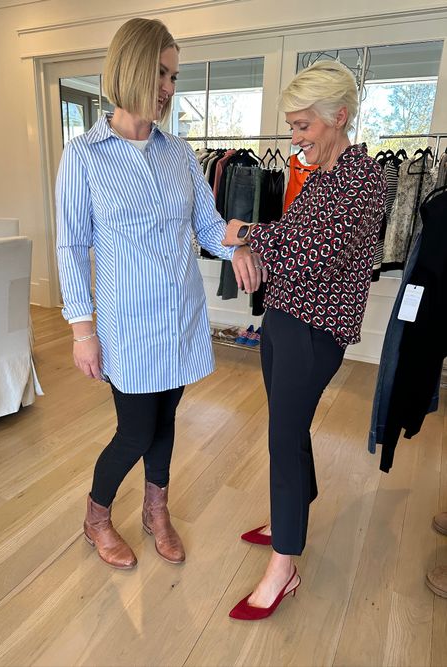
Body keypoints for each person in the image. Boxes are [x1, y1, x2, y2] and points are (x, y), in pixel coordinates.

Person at [56, 17, 261, 570]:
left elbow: (209, 225)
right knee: (135, 430)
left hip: (180, 315)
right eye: (161, 74)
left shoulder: (179, 153)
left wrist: (243, 245)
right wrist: (81, 331)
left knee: (167, 418)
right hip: (128, 324)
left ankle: (155, 510)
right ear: (130, 69)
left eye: (174, 76)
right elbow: (71, 247)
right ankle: (97, 517)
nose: (169, 87)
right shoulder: (84, 156)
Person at [222, 60, 387, 620]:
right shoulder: (321, 176)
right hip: (286, 318)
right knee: (286, 426)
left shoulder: (363, 178)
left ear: (338, 117)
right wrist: (256, 243)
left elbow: (316, 255)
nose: (295, 138)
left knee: (283, 435)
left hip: (314, 330)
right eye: (293, 126)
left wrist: (244, 232)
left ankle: (284, 565)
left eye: (303, 125)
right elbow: (294, 239)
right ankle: (290, 511)